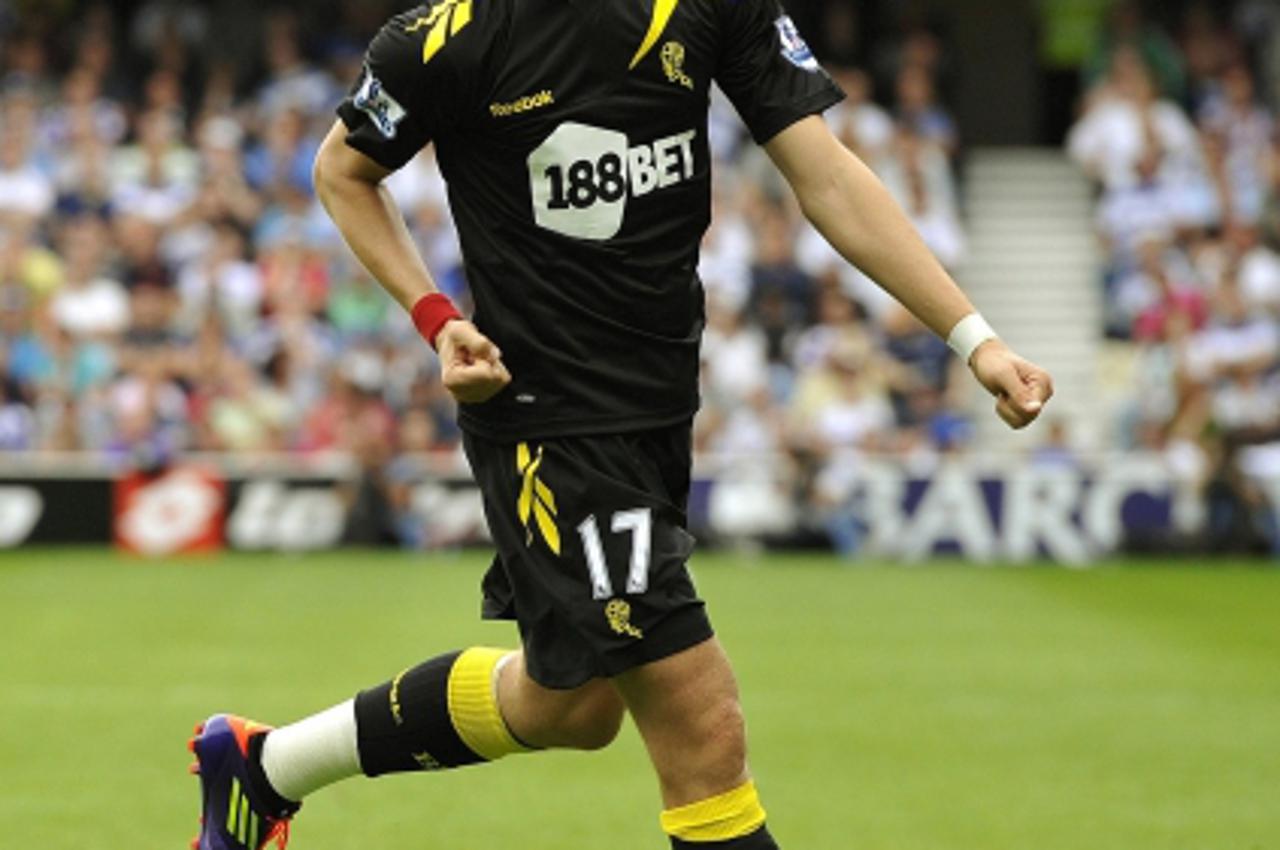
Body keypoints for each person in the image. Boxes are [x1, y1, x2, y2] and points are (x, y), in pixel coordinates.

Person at [186, 2, 1054, 849]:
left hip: (656, 412)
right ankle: (261, 771)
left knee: (573, 705)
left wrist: (973, 339)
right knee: (703, 726)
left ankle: (261, 768)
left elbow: (825, 175)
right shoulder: (444, 39)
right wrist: (435, 315)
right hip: (547, 421)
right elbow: (344, 170)